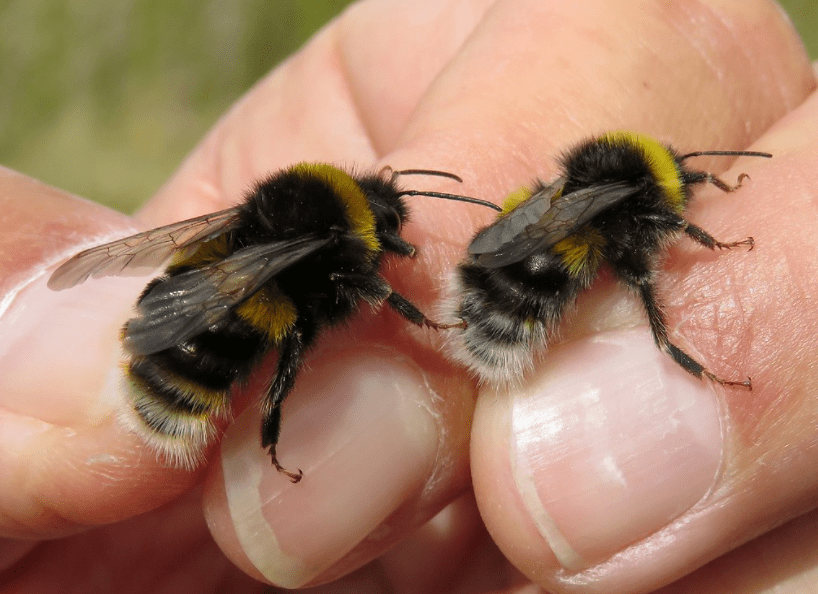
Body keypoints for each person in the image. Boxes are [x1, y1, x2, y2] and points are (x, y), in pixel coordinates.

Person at [2, 0, 817, 592]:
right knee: (284, 336)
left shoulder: (285, 225)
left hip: (184, 338)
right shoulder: (332, 252)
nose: (396, 245)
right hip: (185, 348)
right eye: (384, 233)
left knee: (286, 329)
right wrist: (425, 315)